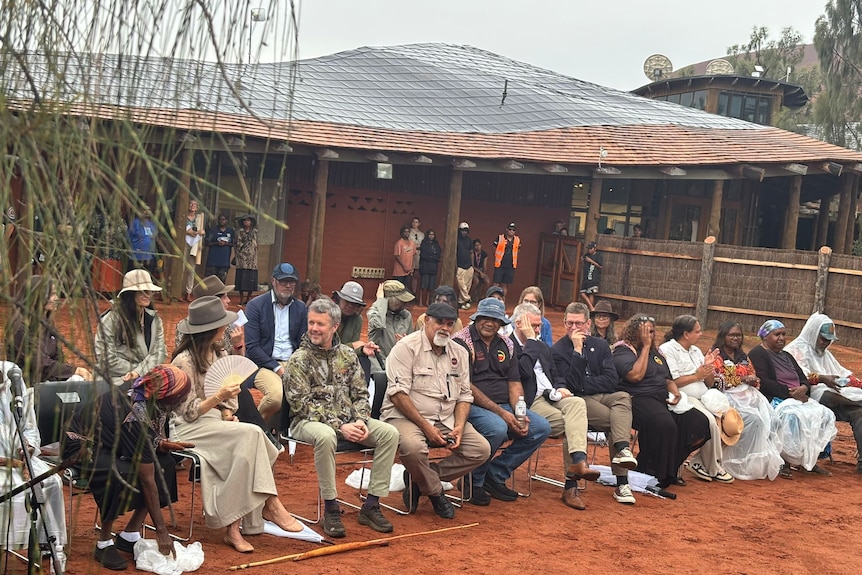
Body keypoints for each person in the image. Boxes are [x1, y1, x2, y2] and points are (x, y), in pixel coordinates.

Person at [172, 297, 302, 553]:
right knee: (252, 436)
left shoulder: (220, 352)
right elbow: (187, 413)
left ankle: (235, 528)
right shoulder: (183, 362)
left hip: (216, 421)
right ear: (210, 330)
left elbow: (232, 389)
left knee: (248, 444)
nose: (227, 329)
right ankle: (269, 504)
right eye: (222, 325)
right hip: (189, 426)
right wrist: (218, 399)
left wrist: (227, 411)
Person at [285, 297, 400, 538]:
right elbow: (301, 405)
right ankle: (331, 507)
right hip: (307, 422)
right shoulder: (299, 360)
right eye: (311, 322)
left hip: (349, 420)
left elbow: (360, 393)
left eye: (321, 324)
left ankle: (371, 505)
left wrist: (359, 420)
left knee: (390, 433)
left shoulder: (348, 356)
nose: (314, 328)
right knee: (327, 436)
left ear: (335, 326)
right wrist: (341, 426)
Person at [64, 365, 191, 569]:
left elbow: (146, 437)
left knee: (165, 464)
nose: (182, 401)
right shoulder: (135, 411)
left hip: (115, 443)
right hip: (84, 445)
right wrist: (161, 531)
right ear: (167, 396)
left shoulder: (150, 393)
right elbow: (146, 478)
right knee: (121, 473)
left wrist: (160, 444)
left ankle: (129, 534)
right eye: (179, 398)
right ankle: (104, 542)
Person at [382, 302, 490, 519]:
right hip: (405, 416)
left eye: (450, 324)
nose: (445, 328)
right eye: (440, 322)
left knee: (481, 449)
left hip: (446, 418)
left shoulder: (459, 352)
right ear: (426, 321)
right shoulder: (406, 348)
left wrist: (459, 426)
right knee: (413, 449)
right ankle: (435, 491)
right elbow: (398, 396)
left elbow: (465, 395)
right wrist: (426, 428)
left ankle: (418, 480)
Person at [452, 298, 551, 505]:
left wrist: (520, 413)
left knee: (540, 427)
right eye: (485, 318)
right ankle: (474, 481)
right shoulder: (461, 342)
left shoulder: (506, 344)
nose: (490, 323)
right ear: (477, 318)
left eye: (495, 319)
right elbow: (466, 386)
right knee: (497, 428)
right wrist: (502, 413)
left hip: (504, 405)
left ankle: (494, 475)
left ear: (501, 323)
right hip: (470, 405)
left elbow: (514, 383)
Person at [510, 303, 601, 510]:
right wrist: (531, 340)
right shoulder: (509, 345)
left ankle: (578, 461)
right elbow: (523, 372)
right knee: (573, 424)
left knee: (577, 403)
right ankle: (571, 484)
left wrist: (560, 387)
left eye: (538, 326)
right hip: (529, 401)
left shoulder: (542, 346)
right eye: (532, 326)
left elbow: (554, 374)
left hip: (552, 396)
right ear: (518, 324)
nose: (536, 330)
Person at [551, 302, 639, 505]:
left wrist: (584, 384)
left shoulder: (600, 345)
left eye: (579, 324)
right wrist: (577, 350)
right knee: (616, 423)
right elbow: (570, 385)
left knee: (623, 397)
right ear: (564, 323)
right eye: (570, 323)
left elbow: (611, 380)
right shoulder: (558, 350)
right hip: (578, 401)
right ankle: (621, 481)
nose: (574, 328)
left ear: (587, 323)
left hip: (604, 396)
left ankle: (623, 450)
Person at [612, 314, 711, 492]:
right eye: (645, 331)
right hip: (636, 399)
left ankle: (667, 468)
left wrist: (675, 392)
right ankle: (652, 472)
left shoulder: (656, 353)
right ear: (635, 331)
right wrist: (646, 347)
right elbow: (635, 376)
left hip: (661, 398)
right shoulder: (623, 350)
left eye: (652, 331)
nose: (649, 335)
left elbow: (667, 378)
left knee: (699, 424)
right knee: (665, 425)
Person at [746, 320, 837, 478]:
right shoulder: (757, 353)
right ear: (765, 337)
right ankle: (784, 461)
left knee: (825, 414)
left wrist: (803, 388)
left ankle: (809, 460)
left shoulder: (787, 355)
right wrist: (790, 393)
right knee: (792, 417)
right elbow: (765, 382)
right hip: (774, 398)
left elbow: (803, 378)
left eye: (783, 334)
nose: (781, 338)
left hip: (797, 397)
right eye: (777, 334)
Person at [0, 361, 66, 558]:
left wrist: (29, 447)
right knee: (11, 489)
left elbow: (30, 428)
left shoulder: (14, 388)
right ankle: (7, 541)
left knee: (51, 482)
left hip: (20, 457)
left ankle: (46, 541)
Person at [783, 313, 862, 474]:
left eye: (828, 340)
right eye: (822, 338)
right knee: (824, 391)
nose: (825, 343)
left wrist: (851, 381)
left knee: (860, 414)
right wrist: (821, 378)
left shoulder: (825, 354)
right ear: (813, 333)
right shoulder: (794, 350)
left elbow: (842, 372)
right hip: (807, 399)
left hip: (835, 402)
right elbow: (797, 377)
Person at [658, 315, 732, 484]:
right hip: (682, 397)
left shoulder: (695, 350)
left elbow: (709, 382)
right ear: (686, 333)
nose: (700, 334)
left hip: (704, 396)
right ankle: (714, 467)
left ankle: (699, 462)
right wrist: (696, 375)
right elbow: (672, 381)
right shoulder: (668, 350)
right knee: (710, 422)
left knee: (729, 422)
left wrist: (708, 369)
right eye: (697, 331)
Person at [711, 322, 784, 480]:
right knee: (755, 419)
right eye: (732, 335)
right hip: (726, 397)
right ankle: (734, 462)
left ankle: (755, 463)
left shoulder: (743, 357)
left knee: (773, 419)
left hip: (747, 396)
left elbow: (755, 377)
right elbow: (716, 380)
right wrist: (742, 379)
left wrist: (752, 380)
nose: (736, 338)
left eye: (738, 335)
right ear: (723, 336)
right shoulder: (715, 356)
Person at [8, 275, 91, 385]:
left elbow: (58, 357)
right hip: (29, 387)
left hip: (50, 381)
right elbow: (41, 364)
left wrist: (71, 373)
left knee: (80, 381)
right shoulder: (20, 329)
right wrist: (75, 370)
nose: (57, 298)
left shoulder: (47, 323)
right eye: (52, 294)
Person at [95, 269, 166, 387]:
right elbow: (106, 359)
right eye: (141, 291)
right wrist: (136, 371)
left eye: (149, 291)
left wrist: (138, 372)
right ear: (130, 294)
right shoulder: (110, 320)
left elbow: (159, 352)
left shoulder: (155, 320)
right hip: (116, 379)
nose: (147, 295)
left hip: (146, 378)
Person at [367, 279, 414, 358]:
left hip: (400, 360)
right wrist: (381, 300)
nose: (404, 303)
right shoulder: (374, 312)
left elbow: (412, 342)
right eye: (400, 300)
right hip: (379, 362)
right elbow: (379, 324)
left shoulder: (406, 316)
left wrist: (406, 342)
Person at [183, 199, 205, 302]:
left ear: (197, 207)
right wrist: (190, 232)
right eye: (190, 203)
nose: (192, 206)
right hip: (184, 244)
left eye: (195, 204)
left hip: (194, 246)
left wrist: (200, 232)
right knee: (181, 268)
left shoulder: (199, 219)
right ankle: (177, 292)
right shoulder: (183, 217)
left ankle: (188, 293)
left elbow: (201, 231)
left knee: (191, 270)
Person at [234, 214, 259, 305]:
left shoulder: (255, 232)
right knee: (241, 280)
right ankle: (241, 299)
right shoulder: (239, 232)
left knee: (251, 281)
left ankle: (248, 299)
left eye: (248, 220)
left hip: (252, 261)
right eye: (245, 220)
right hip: (242, 260)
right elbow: (237, 244)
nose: (246, 222)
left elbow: (257, 245)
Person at [204, 213, 235, 283]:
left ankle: (221, 294)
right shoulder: (213, 230)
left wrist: (226, 243)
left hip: (224, 261)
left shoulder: (231, 231)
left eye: (223, 219)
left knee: (222, 281)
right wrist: (216, 243)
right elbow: (207, 243)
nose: (221, 221)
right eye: (220, 219)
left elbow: (234, 243)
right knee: (210, 281)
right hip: (212, 261)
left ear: (227, 221)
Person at [492, 222, 520, 297]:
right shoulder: (500, 238)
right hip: (499, 265)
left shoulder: (517, 240)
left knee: (505, 285)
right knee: (496, 284)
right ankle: (493, 300)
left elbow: (518, 250)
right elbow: (494, 249)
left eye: (513, 230)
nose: (511, 231)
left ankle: (502, 302)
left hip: (510, 266)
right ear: (506, 230)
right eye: (510, 229)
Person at [127, 206, 158, 274]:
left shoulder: (152, 225)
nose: (147, 212)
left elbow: (154, 240)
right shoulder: (135, 223)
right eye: (144, 210)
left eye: (148, 210)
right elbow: (128, 239)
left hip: (149, 258)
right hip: (137, 257)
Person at [417, 229, 441, 307]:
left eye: (433, 234)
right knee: (423, 285)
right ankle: (420, 301)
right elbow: (423, 255)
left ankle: (427, 301)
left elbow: (438, 256)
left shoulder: (436, 244)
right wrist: (431, 257)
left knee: (431, 286)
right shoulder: (424, 243)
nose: (431, 236)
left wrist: (431, 257)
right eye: (430, 234)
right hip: (425, 267)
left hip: (433, 268)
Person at [455, 222, 474, 309]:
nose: (464, 232)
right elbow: (454, 254)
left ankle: (461, 302)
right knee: (461, 284)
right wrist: (455, 265)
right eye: (462, 230)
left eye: (465, 231)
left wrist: (472, 266)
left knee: (466, 286)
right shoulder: (456, 240)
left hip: (469, 266)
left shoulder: (469, 240)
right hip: (460, 265)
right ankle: (467, 299)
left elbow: (471, 253)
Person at [579, 241, 602, 311]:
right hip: (586, 277)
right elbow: (583, 258)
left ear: (594, 248)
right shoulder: (587, 254)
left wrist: (591, 261)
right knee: (582, 292)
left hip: (593, 277)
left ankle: (591, 308)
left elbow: (600, 266)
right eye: (588, 248)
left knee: (591, 293)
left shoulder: (598, 256)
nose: (589, 250)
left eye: (591, 248)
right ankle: (591, 307)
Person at [469, 238, 490, 303]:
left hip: (481, 271)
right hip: (473, 270)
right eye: (476, 245)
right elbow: (472, 265)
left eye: (479, 245)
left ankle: (482, 297)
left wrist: (483, 273)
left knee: (487, 281)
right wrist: (479, 272)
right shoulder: (472, 253)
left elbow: (484, 266)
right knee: (476, 281)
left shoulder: (484, 254)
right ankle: (470, 296)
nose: (477, 247)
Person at [408, 216, 424, 294]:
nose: (415, 223)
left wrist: (417, 246)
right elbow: (409, 244)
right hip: (410, 254)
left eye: (416, 222)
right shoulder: (409, 232)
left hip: (418, 254)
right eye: (413, 222)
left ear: (419, 224)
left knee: (416, 274)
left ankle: (414, 292)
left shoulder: (421, 234)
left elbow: (423, 245)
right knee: (409, 273)